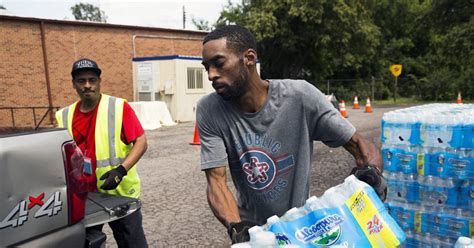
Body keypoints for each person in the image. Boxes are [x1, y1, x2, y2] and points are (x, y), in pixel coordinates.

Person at [197, 25, 385, 244]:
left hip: (304, 231)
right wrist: (237, 228)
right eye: (206, 67)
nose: (211, 75)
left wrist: (371, 175)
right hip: (254, 234)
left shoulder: (300, 96)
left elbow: (361, 147)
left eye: (219, 63)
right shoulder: (209, 110)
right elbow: (216, 182)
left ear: (249, 58)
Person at [56, 58, 148, 247]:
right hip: (84, 196)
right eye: (81, 81)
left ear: (99, 82)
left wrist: (121, 171)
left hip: (119, 194)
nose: (87, 85)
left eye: (92, 80)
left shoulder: (118, 107)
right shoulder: (63, 116)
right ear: (74, 84)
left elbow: (141, 142)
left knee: (133, 244)